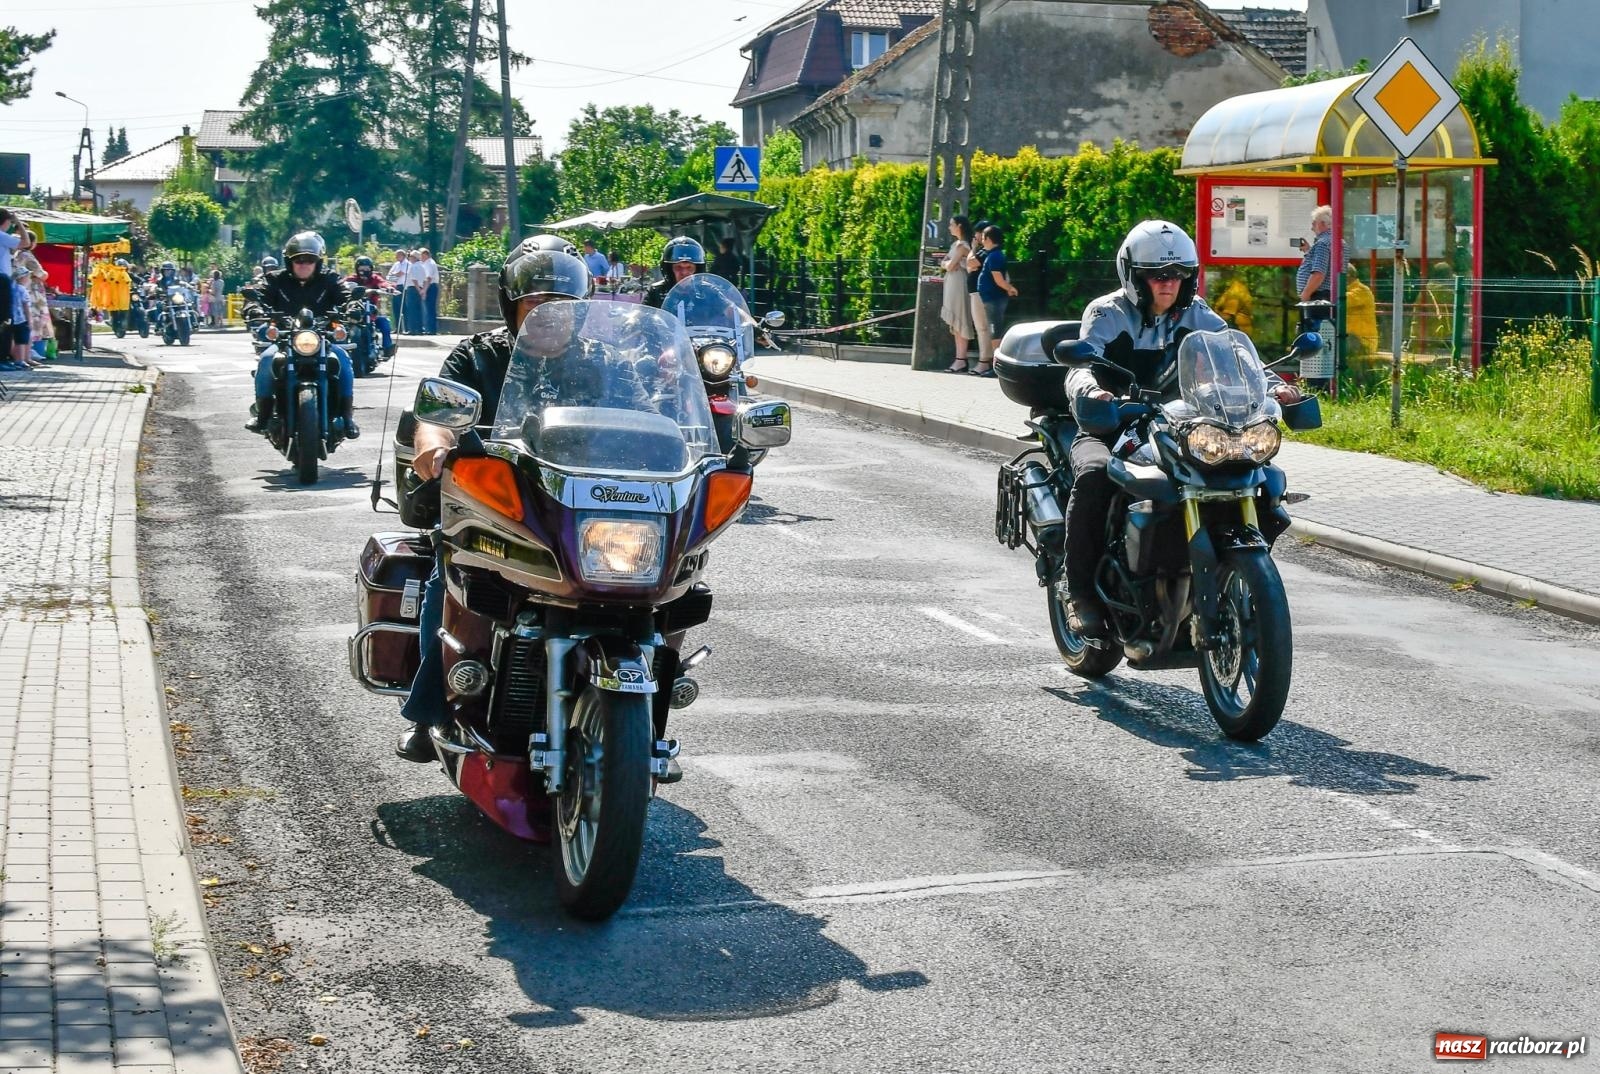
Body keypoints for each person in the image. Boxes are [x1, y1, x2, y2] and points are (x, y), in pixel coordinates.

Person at [395, 244, 595, 761]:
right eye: (536, 303)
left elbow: (653, 415)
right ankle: (433, 708)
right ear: (513, 306)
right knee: (452, 579)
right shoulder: (477, 357)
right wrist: (434, 444)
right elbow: (436, 414)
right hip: (495, 506)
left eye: (561, 305)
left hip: (584, 511)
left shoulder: (605, 363)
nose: (549, 315)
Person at [1059, 220, 1301, 639]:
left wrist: (1276, 387)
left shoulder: (1197, 312)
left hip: (1178, 424)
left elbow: (1240, 358)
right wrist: (1094, 392)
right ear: (1134, 276)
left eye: (1177, 274)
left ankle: (1231, 575)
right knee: (1096, 476)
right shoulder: (1106, 313)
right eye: (1156, 275)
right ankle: (1078, 593)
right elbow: (1081, 366)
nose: (1168, 283)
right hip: (1111, 423)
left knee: (1259, 476)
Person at [240, 231, 364, 439]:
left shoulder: (330, 279)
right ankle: (263, 415)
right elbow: (258, 296)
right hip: (285, 339)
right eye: (298, 260)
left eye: (309, 260)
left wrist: (354, 306)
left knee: (343, 361)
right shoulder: (275, 279)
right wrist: (253, 308)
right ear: (290, 262)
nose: (304, 264)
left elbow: (346, 295)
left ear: (318, 262)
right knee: (266, 360)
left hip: (322, 338)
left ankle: (347, 417)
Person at [971, 224, 1018, 376]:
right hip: (990, 298)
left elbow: (998, 279)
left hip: (994, 299)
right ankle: (995, 365)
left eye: (983, 238)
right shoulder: (993, 255)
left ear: (989, 239)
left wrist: (1010, 288)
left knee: (995, 330)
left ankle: (997, 366)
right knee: (994, 330)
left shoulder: (995, 256)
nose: (981, 241)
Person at [939, 214, 976, 372]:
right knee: (955, 321)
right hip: (952, 282)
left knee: (960, 317)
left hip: (959, 283)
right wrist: (947, 263)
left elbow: (949, 265)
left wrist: (947, 263)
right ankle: (960, 358)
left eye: (952, 224)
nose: (949, 227)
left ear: (959, 226)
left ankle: (961, 359)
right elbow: (945, 263)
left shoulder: (962, 246)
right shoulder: (955, 245)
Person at [345, 255, 397, 356]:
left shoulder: (374, 278)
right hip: (355, 313)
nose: (364, 271)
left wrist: (389, 287)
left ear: (371, 269)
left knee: (385, 323)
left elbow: (383, 283)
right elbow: (343, 283)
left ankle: (387, 348)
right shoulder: (352, 278)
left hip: (372, 313)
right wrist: (346, 286)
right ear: (357, 269)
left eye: (367, 268)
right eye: (362, 269)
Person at [643, 236, 704, 308]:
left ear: (697, 269)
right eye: (678, 267)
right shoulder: (656, 291)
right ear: (669, 269)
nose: (684, 272)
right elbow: (642, 312)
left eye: (689, 267)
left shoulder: (708, 291)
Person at [964, 219, 992, 375]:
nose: (975, 236)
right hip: (976, 292)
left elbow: (970, 263)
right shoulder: (984, 251)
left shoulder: (983, 252)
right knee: (982, 327)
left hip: (979, 293)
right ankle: (985, 359)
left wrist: (973, 247)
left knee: (982, 327)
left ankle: (984, 361)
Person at [1296, 205, 1333, 308]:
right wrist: (1308, 251)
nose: (1312, 228)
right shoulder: (1339, 242)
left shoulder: (1322, 243)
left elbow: (1318, 273)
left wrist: (1306, 294)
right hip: (1329, 294)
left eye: (1314, 223)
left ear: (1322, 224)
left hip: (1318, 296)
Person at [1344, 262, 1378, 358]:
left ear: (1347, 276)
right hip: (1350, 338)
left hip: (1362, 342)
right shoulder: (1348, 290)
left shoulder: (1362, 290)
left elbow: (1342, 301)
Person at [408, 248, 440, 335]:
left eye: (421, 255)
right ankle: (428, 328)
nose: (420, 257)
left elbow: (428, 278)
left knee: (430, 308)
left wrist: (424, 290)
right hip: (428, 286)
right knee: (427, 308)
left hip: (430, 287)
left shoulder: (430, 263)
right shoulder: (425, 264)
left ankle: (431, 330)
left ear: (425, 255)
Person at [385, 249, 410, 332]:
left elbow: (400, 274)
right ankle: (397, 328)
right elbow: (389, 276)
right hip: (395, 286)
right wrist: (393, 276)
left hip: (403, 287)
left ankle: (406, 328)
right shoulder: (396, 264)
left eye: (398, 255)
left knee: (403, 308)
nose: (396, 257)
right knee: (395, 308)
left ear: (402, 255)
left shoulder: (407, 264)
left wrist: (393, 276)